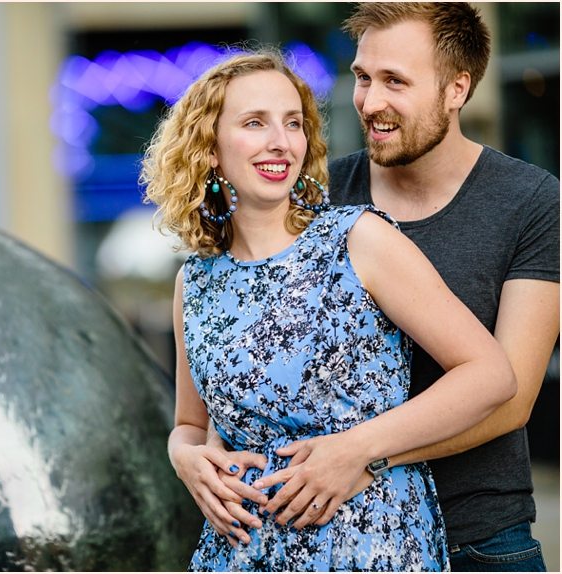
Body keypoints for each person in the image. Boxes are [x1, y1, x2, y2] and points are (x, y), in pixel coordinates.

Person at [192, 4, 560, 572]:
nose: (369, 102)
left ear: (457, 89)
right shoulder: (315, 196)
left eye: (395, 81)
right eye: (363, 77)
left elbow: (510, 398)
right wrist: (193, 451)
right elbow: (251, 341)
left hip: (480, 538)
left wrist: (364, 455)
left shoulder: (532, 202)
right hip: (322, 538)